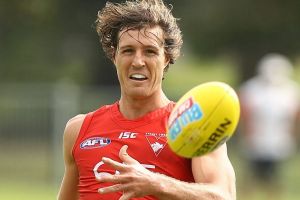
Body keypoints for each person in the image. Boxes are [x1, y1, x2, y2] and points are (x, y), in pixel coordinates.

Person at [57, 0, 236, 199]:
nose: (138, 62)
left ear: (166, 58)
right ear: (114, 56)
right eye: (128, 51)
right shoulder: (79, 130)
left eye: (150, 51)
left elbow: (223, 196)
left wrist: (155, 183)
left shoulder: (192, 126)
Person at [239, 53, 300, 199]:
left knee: (274, 178)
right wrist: (248, 134)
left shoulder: (291, 90)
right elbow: (244, 113)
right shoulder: (252, 88)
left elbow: (295, 116)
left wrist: (293, 134)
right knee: (252, 177)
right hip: (256, 141)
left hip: (279, 142)